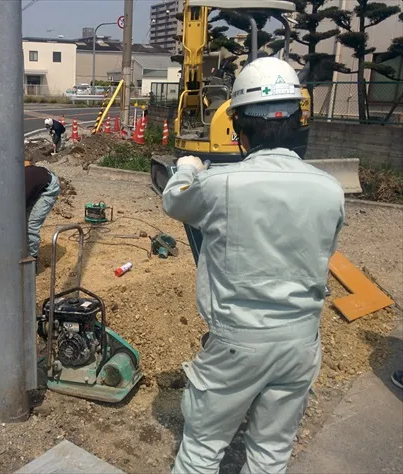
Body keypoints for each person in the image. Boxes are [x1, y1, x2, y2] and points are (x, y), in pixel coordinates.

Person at [162, 57, 345, 474]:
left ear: (238, 127)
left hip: (238, 344)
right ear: (298, 121)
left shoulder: (219, 185)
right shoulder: (329, 189)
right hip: (300, 342)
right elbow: (324, 252)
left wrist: (187, 167)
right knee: (271, 452)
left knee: (202, 451)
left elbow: (174, 201)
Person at [0, 165, 61, 266]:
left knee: (29, 227)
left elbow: (13, 219)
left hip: (47, 188)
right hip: (31, 185)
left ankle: (31, 263)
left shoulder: (12, 196)